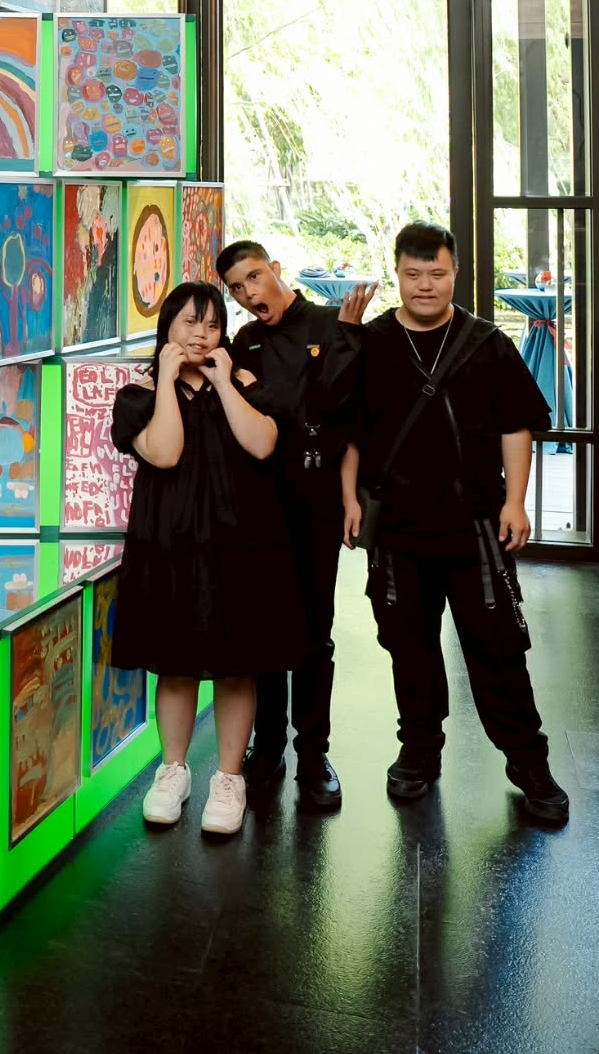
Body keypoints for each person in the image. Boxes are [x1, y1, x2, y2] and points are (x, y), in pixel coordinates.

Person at [343, 221, 569, 825]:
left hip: (476, 528)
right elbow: (352, 433)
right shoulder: (373, 343)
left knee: (499, 650)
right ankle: (419, 750)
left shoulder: (487, 342)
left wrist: (516, 502)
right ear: (397, 273)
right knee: (409, 649)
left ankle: (529, 763)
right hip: (398, 531)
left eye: (436, 274)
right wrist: (349, 499)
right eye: (413, 274)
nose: (425, 285)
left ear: (455, 273)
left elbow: (516, 426)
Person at [111, 282, 307, 838]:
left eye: (213, 324)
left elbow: (262, 444)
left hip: (242, 545)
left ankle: (229, 778)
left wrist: (224, 382)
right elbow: (165, 452)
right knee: (174, 666)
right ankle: (172, 772)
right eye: (190, 322)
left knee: (237, 665)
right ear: (167, 328)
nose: (201, 334)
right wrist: (167, 381)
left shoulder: (243, 382)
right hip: (169, 545)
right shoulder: (138, 394)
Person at [217, 240, 374, 812]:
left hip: (317, 496)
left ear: (276, 270)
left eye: (254, 277)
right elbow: (263, 412)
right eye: (237, 288)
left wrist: (349, 495)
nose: (248, 293)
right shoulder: (245, 342)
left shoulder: (336, 324)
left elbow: (343, 414)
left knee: (314, 631)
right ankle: (267, 748)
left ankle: (313, 754)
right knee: (264, 627)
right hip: (262, 498)